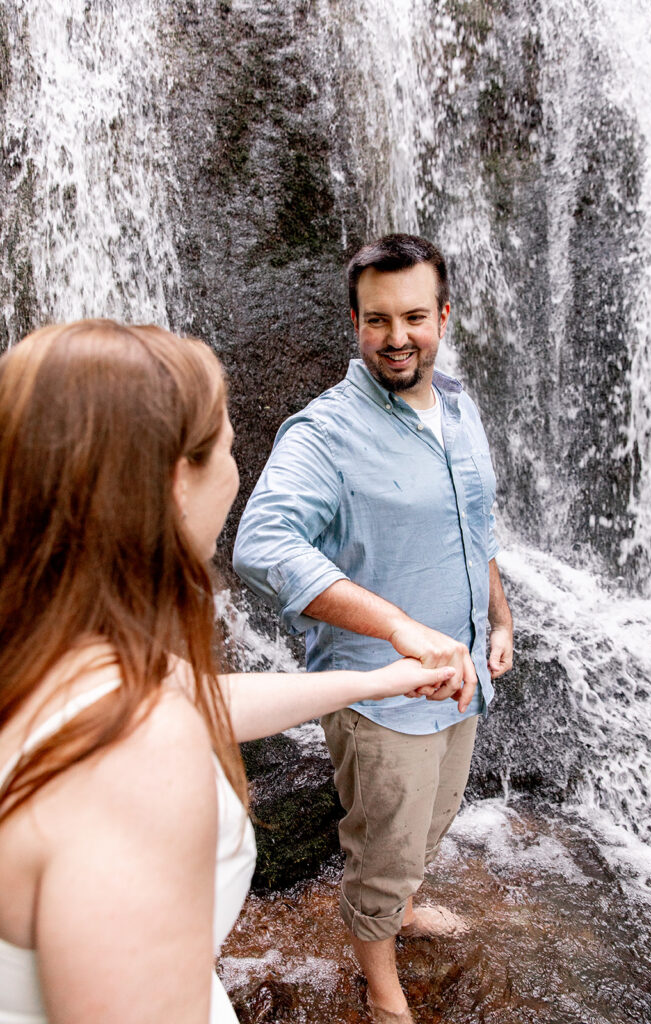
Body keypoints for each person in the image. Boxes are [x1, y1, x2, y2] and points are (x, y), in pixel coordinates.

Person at [0, 319, 459, 1024]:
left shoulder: (42, 648)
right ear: (175, 481)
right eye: (227, 446)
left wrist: (373, 680)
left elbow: (190, 697)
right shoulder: (132, 765)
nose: (237, 470)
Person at [233, 233, 514, 1023]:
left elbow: (475, 522)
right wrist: (395, 627)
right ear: (355, 322)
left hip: (461, 677)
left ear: (443, 316)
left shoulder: (457, 405)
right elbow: (261, 543)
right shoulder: (323, 432)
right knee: (383, 849)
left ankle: (405, 905)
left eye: (414, 318)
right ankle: (380, 979)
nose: (397, 338)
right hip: (381, 696)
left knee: (430, 820)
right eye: (377, 320)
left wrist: (497, 615)